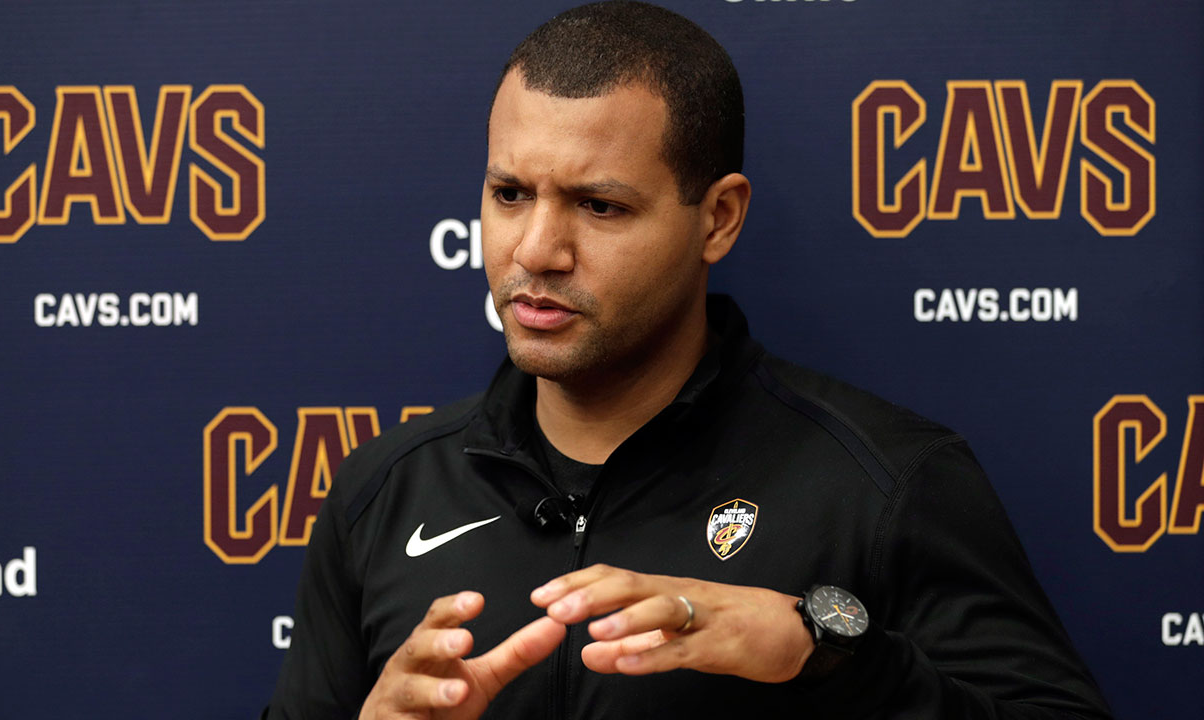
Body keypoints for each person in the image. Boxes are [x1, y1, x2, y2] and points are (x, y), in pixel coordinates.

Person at [267, 2, 1112, 718]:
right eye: (510, 194)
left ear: (718, 219)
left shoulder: (887, 482)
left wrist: (828, 653)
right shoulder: (384, 489)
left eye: (599, 206)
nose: (536, 250)